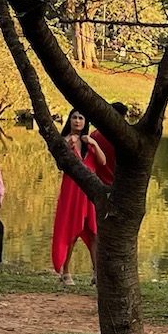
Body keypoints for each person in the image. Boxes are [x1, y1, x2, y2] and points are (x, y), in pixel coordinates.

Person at [49, 110, 109, 284]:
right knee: (71, 231)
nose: (77, 121)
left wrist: (94, 144)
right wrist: (68, 144)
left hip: (90, 192)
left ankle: (97, 273)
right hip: (71, 191)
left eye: (81, 118)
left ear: (85, 122)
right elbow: (60, 164)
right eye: (74, 117)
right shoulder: (64, 141)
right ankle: (66, 272)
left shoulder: (89, 141)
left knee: (94, 232)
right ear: (70, 120)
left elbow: (103, 162)